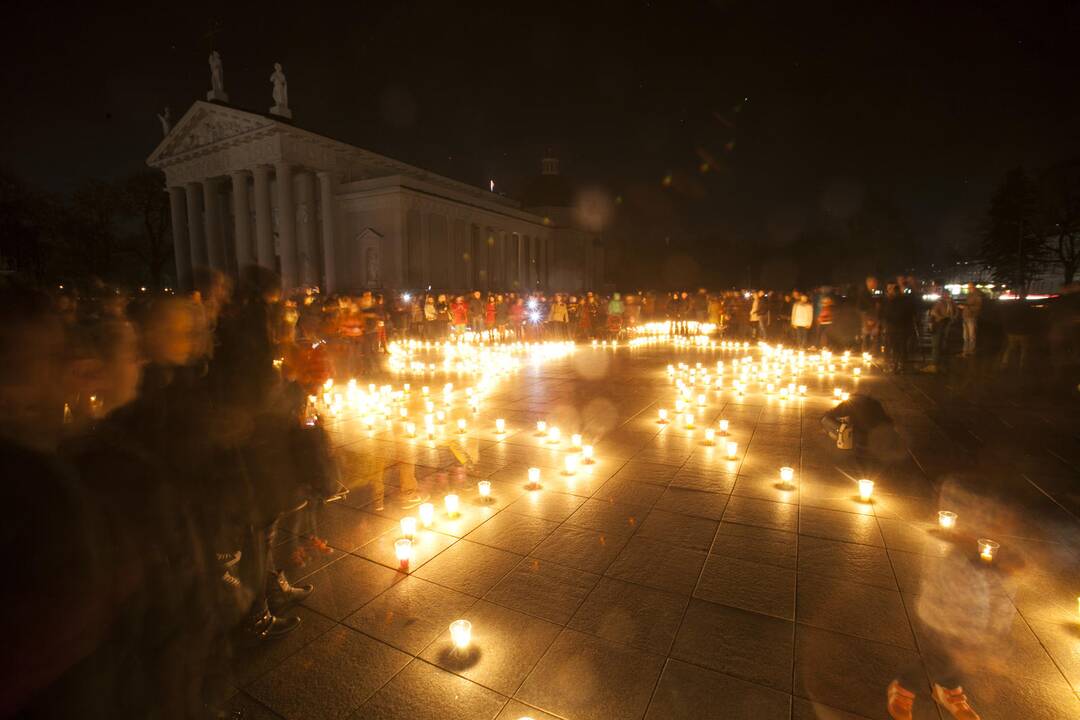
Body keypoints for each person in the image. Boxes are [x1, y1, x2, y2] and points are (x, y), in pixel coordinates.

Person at [924, 288, 955, 373]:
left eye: (948, 294)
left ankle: (941, 364)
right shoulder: (939, 302)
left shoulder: (951, 303)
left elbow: (955, 312)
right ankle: (935, 364)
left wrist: (953, 318)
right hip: (939, 324)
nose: (948, 296)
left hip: (947, 325)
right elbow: (933, 312)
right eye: (946, 294)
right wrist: (942, 317)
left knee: (943, 345)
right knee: (936, 345)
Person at [961, 283, 984, 357]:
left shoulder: (977, 295)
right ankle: (965, 351)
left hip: (971, 317)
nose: (968, 288)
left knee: (971, 336)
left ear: (973, 287)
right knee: (965, 336)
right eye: (968, 287)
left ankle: (971, 351)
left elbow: (978, 307)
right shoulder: (970, 294)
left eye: (969, 287)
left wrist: (965, 307)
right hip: (966, 316)